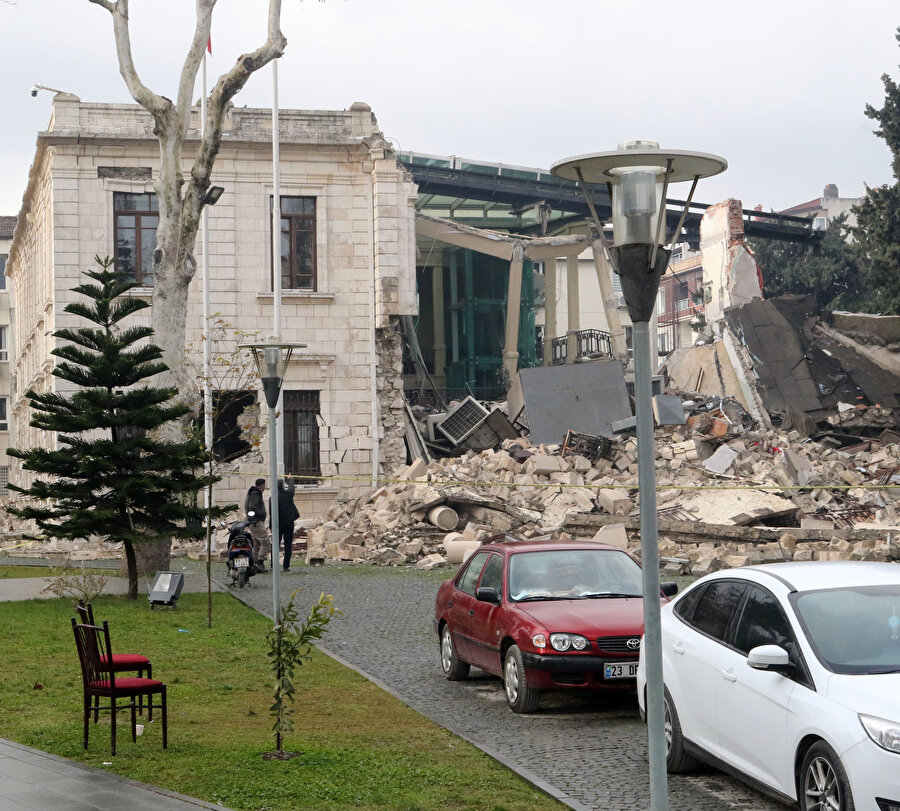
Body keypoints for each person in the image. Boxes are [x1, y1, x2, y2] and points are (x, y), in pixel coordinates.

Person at [270, 477, 300, 571]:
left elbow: (271, 513)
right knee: (288, 545)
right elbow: (292, 487)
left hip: (277, 524)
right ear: (283, 486)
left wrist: (271, 525)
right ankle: (286, 566)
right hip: (289, 523)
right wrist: (290, 479)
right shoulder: (288, 494)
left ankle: (274, 565)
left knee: (275, 545)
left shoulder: (273, 498)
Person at [244, 478, 270, 572]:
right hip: (256, 522)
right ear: (262, 485)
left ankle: (255, 564)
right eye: (264, 485)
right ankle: (260, 562)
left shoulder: (253, 493)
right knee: (266, 542)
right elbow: (252, 507)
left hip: (253, 522)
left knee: (257, 544)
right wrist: (259, 514)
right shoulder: (255, 494)